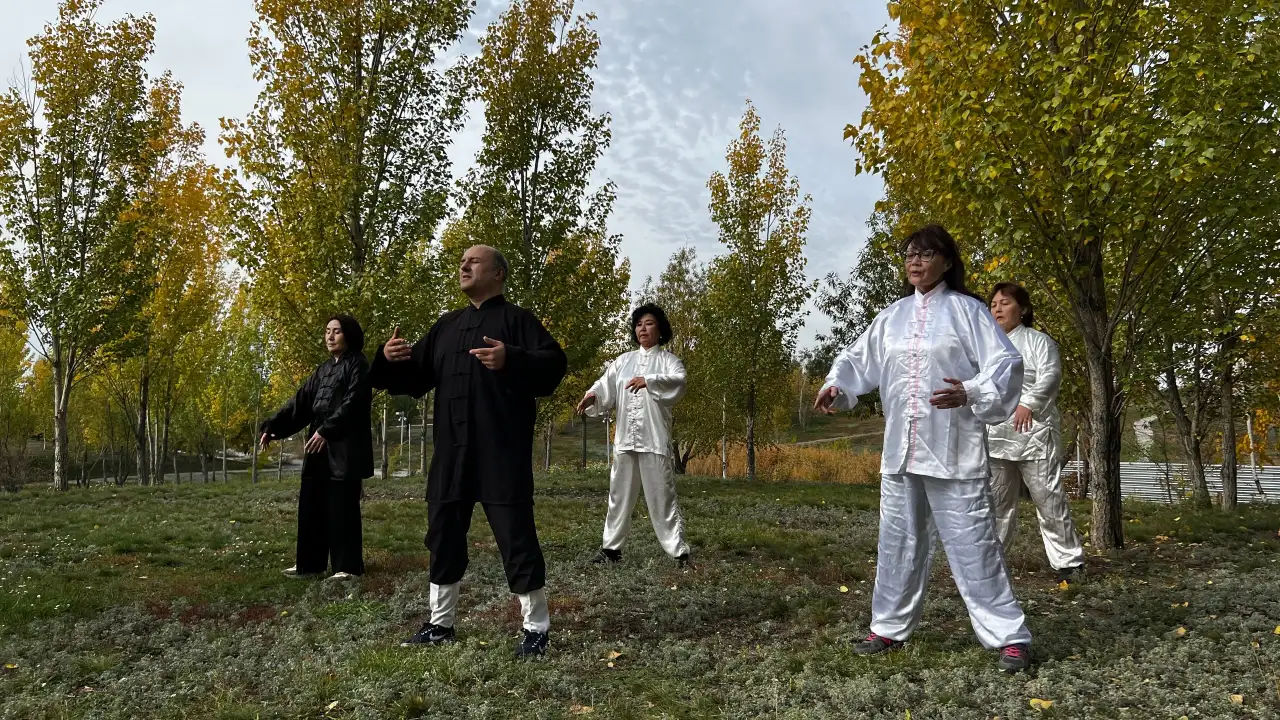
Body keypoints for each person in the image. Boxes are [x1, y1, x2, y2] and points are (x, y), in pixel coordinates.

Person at [814, 224, 1033, 673]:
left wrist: (970, 391)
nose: (916, 261)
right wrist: (837, 385)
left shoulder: (969, 312)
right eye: (910, 254)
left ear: (947, 262)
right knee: (898, 542)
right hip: (901, 451)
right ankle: (888, 627)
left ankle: (1009, 636)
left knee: (974, 545)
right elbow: (858, 360)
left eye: (926, 254)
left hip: (954, 451)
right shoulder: (892, 317)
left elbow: (1006, 364)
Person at [371, 245, 567, 659]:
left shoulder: (518, 321)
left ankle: (536, 628)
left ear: (498, 273)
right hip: (451, 454)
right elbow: (414, 378)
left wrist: (510, 357)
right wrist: (388, 360)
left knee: (516, 536)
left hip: (501, 452)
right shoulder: (446, 326)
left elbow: (554, 365)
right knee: (443, 535)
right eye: (462, 261)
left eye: (474, 261)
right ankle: (440, 624)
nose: (463, 265)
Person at [576, 303, 691, 567]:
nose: (643, 329)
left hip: (654, 438)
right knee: (618, 496)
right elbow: (605, 385)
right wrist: (593, 395)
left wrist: (649, 381)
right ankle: (611, 550)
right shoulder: (623, 361)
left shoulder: (669, 361)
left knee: (661, 496)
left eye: (649, 323)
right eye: (639, 324)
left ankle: (679, 552)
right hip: (625, 438)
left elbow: (679, 381)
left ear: (660, 329)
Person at [260, 314, 374, 580]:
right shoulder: (323, 370)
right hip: (318, 443)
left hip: (344, 446)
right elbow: (301, 403)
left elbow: (354, 404)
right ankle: (310, 565)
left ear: (349, 335)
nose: (330, 336)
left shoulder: (358, 365)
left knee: (341, 506)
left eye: (337, 331)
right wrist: (273, 426)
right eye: (327, 331)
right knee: (312, 503)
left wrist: (327, 430)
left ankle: (347, 568)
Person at [987, 283, 1085, 582]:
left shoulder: (1039, 341)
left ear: (1024, 309)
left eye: (1005, 303)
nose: (998, 309)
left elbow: (1051, 376)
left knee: (1048, 498)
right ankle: (990, 563)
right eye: (993, 304)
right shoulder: (986, 345)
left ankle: (1068, 562)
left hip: (1034, 431)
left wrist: (1028, 403)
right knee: (996, 501)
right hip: (995, 434)